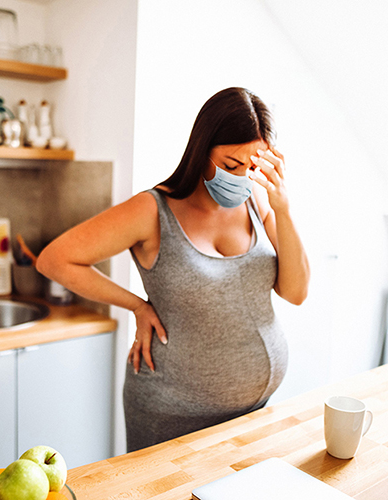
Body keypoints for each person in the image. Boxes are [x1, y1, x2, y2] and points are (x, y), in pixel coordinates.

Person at [36, 87, 310, 452]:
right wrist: (137, 304)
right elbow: (55, 259)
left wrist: (284, 210)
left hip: (253, 414)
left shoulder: (258, 201)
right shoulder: (152, 210)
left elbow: (296, 292)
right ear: (202, 149)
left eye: (253, 166)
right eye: (231, 165)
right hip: (172, 417)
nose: (242, 176)